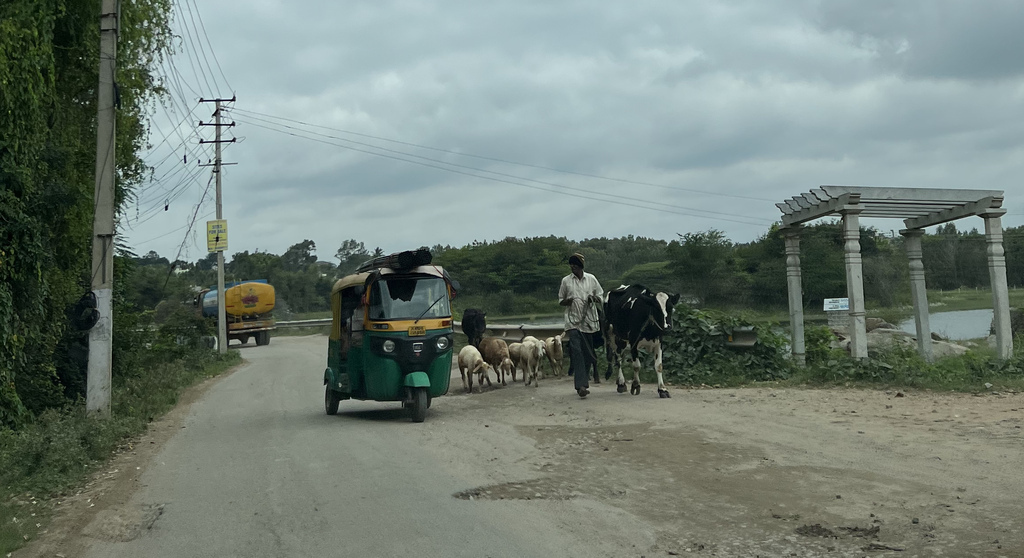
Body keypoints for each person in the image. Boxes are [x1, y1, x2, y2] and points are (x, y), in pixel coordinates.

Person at [558, 253, 603, 398]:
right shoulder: (566, 281)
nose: (573, 267)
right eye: (571, 265)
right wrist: (567, 301)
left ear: (581, 266)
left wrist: (594, 298)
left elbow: (601, 296)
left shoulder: (591, 279)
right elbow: (560, 300)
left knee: (588, 353)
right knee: (577, 352)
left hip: (589, 321)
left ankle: (584, 381)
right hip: (572, 322)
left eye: (575, 265)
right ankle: (581, 386)